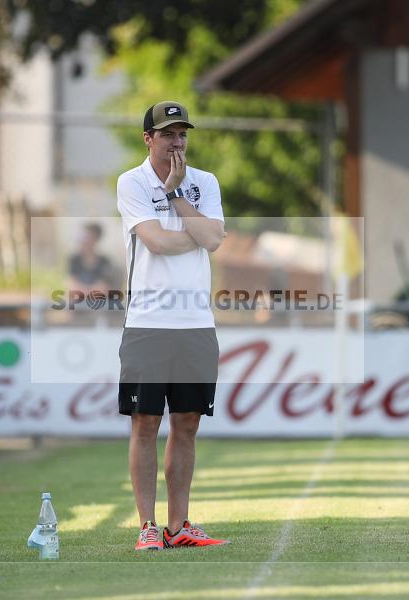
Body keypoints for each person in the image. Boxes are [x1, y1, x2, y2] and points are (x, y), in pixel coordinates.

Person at [116, 101, 228, 550]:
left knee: (187, 423)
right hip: (147, 322)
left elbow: (216, 239)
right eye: (167, 134)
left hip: (197, 323)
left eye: (182, 133)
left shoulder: (204, 182)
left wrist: (178, 194)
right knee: (145, 423)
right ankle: (148, 526)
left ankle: (179, 526)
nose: (177, 141)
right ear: (149, 139)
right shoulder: (132, 181)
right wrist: (195, 232)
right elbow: (157, 242)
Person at [67, 222, 114, 296]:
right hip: (78, 305)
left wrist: (82, 291)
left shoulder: (105, 262)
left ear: (95, 239)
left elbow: (104, 289)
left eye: (86, 237)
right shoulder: (74, 260)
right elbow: (72, 287)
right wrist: (93, 290)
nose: (82, 240)